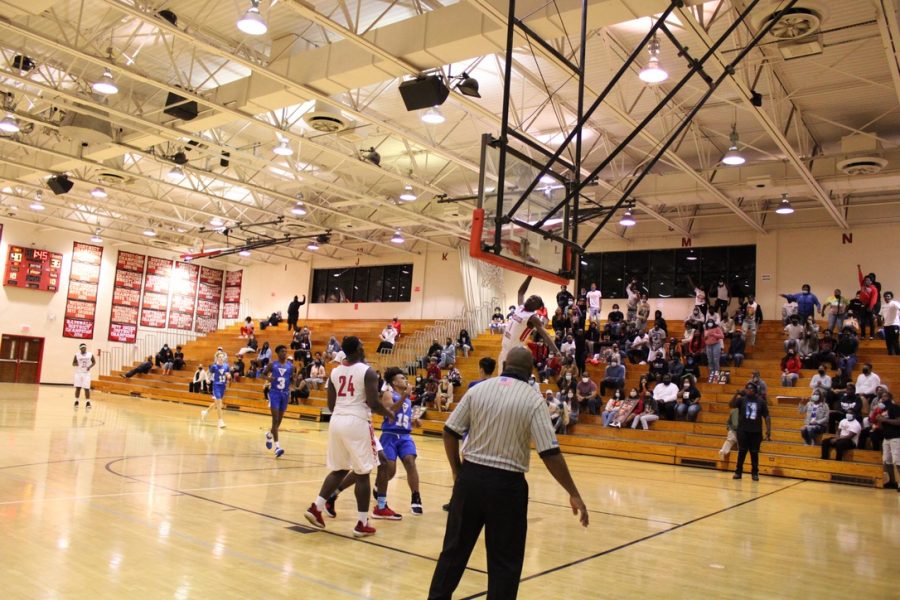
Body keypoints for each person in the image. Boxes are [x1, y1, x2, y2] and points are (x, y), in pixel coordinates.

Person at [427, 347, 588, 600]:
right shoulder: (533, 400)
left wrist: (458, 472)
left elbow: (450, 431)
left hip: (470, 478)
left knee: (453, 552)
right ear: (531, 370)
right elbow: (549, 451)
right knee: (505, 562)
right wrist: (573, 492)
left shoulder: (478, 390)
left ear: (504, 364)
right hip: (507, 487)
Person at [305, 337, 395, 537]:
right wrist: (387, 413)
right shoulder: (367, 371)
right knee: (363, 473)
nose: (364, 349)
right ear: (355, 350)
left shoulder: (335, 372)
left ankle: (316, 507)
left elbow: (330, 405)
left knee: (339, 469)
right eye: (361, 346)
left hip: (336, 420)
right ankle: (362, 523)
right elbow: (372, 403)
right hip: (357, 421)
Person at [377, 367, 424, 515]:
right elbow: (391, 410)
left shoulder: (408, 400)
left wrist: (413, 421)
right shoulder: (387, 394)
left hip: (404, 436)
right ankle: (379, 488)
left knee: (410, 461)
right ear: (394, 382)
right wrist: (404, 396)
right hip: (389, 435)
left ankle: (416, 497)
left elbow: (402, 417)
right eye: (402, 378)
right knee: (390, 470)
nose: (405, 380)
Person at [499, 276, 561, 369]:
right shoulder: (520, 307)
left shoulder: (532, 318)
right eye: (531, 297)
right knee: (501, 378)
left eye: (533, 300)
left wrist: (557, 352)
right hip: (505, 349)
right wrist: (530, 275)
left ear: (537, 307)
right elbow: (521, 292)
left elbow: (545, 335)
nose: (530, 299)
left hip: (515, 352)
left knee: (509, 379)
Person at [732, 389, 771, 481]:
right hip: (742, 430)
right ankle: (738, 472)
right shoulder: (742, 400)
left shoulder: (761, 401)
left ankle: (755, 473)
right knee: (742, 452)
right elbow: (731, 405)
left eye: (751, 389)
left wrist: (768, 430)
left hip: (756, 431)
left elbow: (767, 416)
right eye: (747, 389)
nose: (749, 391)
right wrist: (735, 394)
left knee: (754, 453)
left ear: (755, 391)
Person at [263, 345, 293, 458]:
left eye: (285, 351)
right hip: (274, 393)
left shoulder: (291, 366)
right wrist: (268, 378)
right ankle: (277, 447)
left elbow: (291, 380)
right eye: (282, 351)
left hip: (285, 394)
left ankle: (269, 435)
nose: (284, 353)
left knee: (279, 421)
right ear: (277, 353)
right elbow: (262, 374)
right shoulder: (272, 365)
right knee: (275, 419)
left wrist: (291, 390)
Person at [874, 392, 900, 490]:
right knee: (886, 461)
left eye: (885, 396)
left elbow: (898, 421)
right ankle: (891, 482)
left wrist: (884, 420)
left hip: (896, 437)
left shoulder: (895, 407)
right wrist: (879, 420)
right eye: (881, 397)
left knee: (897, 461)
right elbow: (881, 426)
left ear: (890, 397)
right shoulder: (882, 410)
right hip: (886, 437)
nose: (883, 398)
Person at [201, 352, 230, 428]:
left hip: (223, 386)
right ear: (217, 358)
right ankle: (220, 421)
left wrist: (228, 375)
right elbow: (207, 373)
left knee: (216, 403)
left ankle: (205, 412)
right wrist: (207, 379)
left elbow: (228, 374)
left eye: (222, 357)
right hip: (216, 386)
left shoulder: (226, 366)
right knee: (220, 402)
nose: (221, 358)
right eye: (219, 357)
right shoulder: (214, 367)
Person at [856, 265, 878, 339]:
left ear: (871, 282)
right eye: (865, 280)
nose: (866, 281)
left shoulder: (873, 289)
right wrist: (859, 269)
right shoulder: (862, 285)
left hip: (870, 306)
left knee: (871, 321)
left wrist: (871, 307)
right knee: (862, 321)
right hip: (863, 305)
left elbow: (874, 298)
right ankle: (862, 335)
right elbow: (860, 277)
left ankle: (872, 335)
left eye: (868, 280)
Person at [72, 343, 96, 410]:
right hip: (78, 373)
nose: (83, 349)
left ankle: (88, 402)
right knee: (78, 388)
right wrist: (77, 364)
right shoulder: (77, 355)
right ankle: (76, 401)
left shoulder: (90, 354)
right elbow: (73, 363)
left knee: (86, 388)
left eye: (84, 347)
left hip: (86, 373)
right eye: (82, 348)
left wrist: (90, 367)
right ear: (80, 348)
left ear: (86, 348)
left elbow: (94, 362)